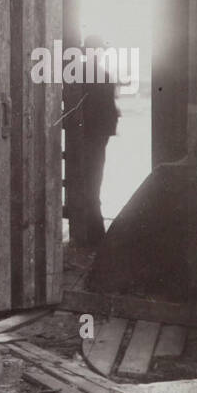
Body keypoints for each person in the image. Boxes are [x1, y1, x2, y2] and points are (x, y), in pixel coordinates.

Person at [71, 34, 120, 245]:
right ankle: (94, 234)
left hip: (89, 134)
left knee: (87, 182)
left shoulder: (77, 74)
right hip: (96, 135)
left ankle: (90, 233)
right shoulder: (103, 75)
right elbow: (110, 111)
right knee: (93, 182)